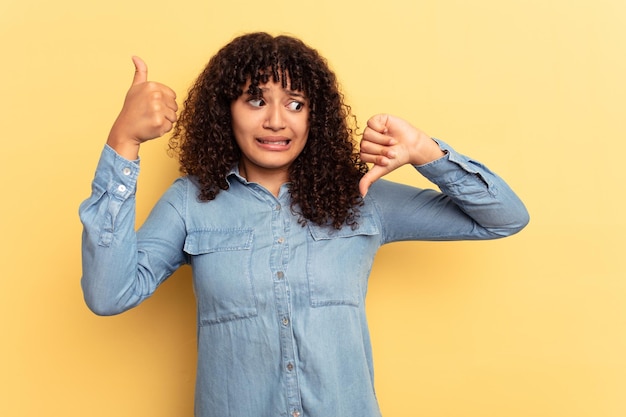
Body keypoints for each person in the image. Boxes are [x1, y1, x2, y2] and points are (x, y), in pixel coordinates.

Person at [80, 32, 529, 417]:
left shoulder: (362, 197)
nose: (276, 121)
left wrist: (425, 151)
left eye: (295, 103)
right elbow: (108, 293)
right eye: (256, 100)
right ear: (226, 111)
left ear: (315, 114)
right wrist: (124, 142)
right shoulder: (190, 202)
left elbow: (503, 218)